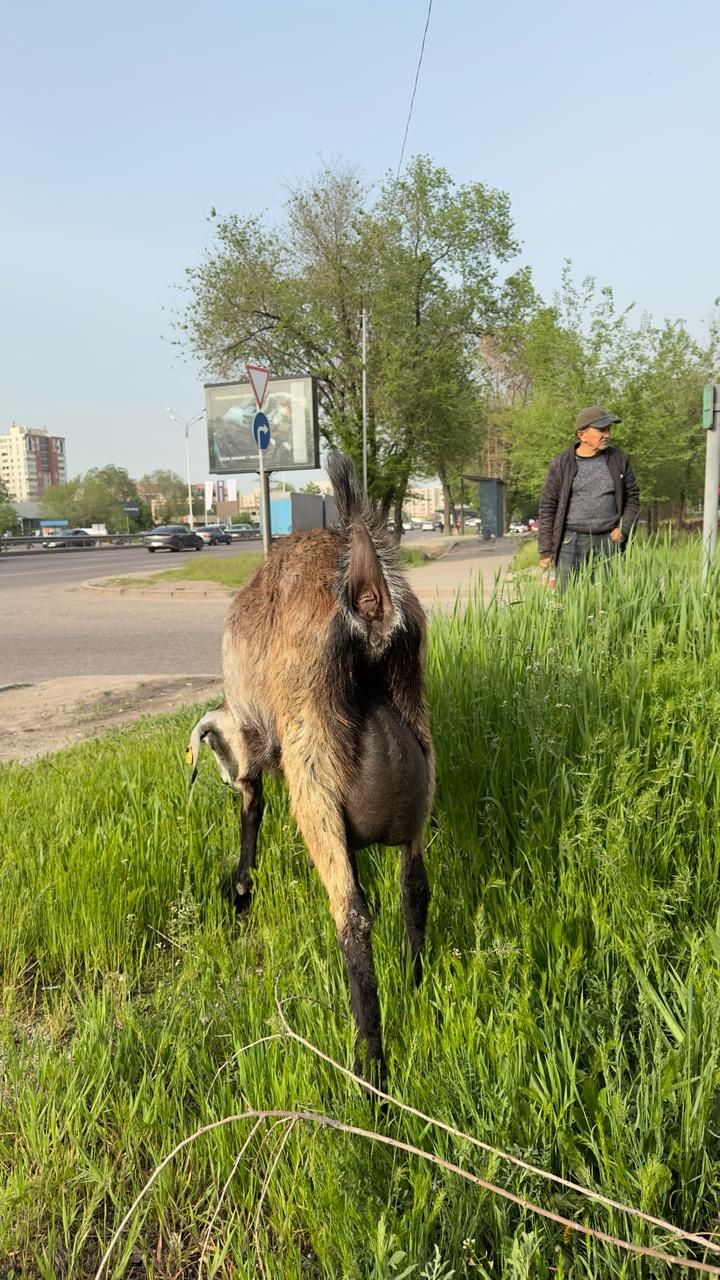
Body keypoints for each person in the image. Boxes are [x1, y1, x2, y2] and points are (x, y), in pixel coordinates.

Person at [538, 406, 640, 586]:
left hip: (608, 541)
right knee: (567, 601)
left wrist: (623, 529)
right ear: (582, 435)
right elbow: (548, 507)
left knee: (607, 600)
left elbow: (632, 496)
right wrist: (546, 551)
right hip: (570, 542)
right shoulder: (562, 464)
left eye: (608, 429)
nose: (607, 434)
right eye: (601, 430)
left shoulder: (618, 459)